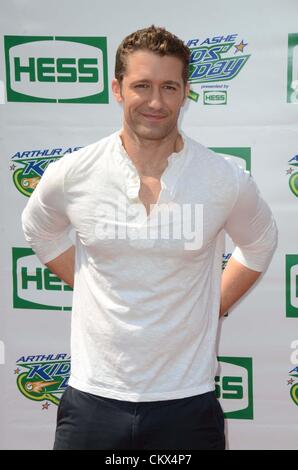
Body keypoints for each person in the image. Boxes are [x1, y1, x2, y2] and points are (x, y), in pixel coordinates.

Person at [22, 25, 278, 450]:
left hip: (187, 401)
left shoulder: (223, 178)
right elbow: (39, 230)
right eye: (142, 85)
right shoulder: (74, 173)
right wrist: (91, 285)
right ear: (118, 89)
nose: (156, 102)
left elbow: (260, 243)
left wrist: (213, 305)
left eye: (169, 87)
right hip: (92, 398)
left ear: (185, 92)